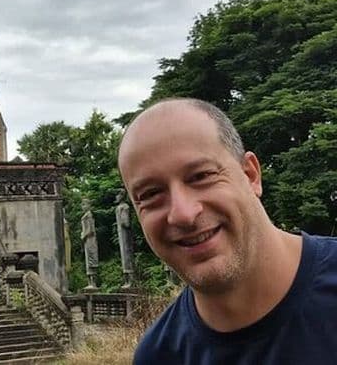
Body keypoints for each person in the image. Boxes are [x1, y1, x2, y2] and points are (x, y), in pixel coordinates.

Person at [117, 98, 337, 364]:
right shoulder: (159, 356)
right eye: (151, 194)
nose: (183, 214)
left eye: (201, 176)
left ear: (251, 175)